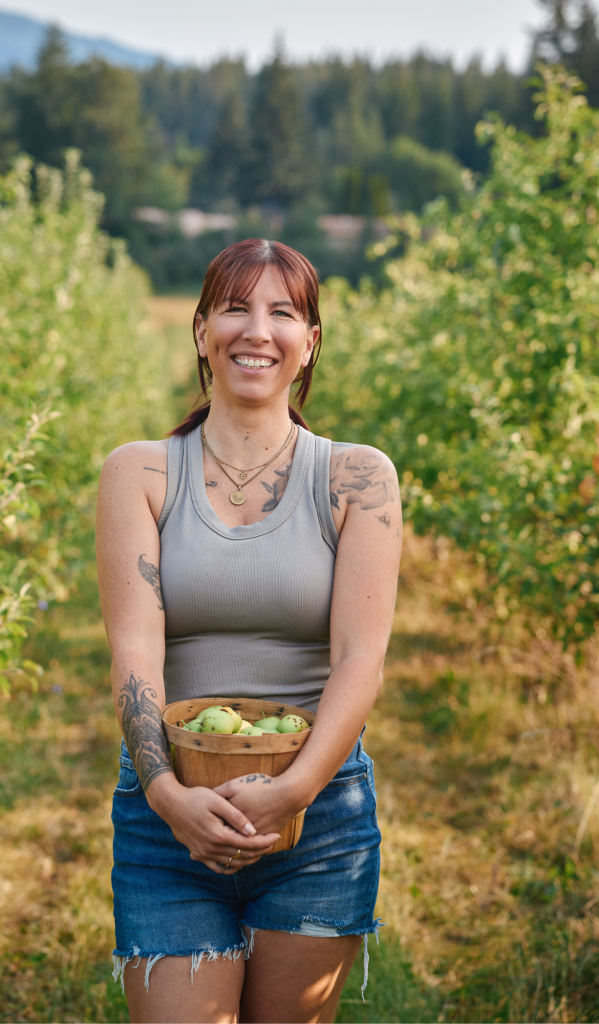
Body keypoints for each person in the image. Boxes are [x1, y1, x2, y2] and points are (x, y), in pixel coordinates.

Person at [96, 238, 402, 1023]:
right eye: (234, 308)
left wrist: (292, 791)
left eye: (282, 312)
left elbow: (360, 657)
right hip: (170, 809)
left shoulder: (356, 477)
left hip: (317, 815)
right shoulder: (140, 472)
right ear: (200, 332)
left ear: (309, 345)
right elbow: (135, 650)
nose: (255, 330)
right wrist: (166, 795)